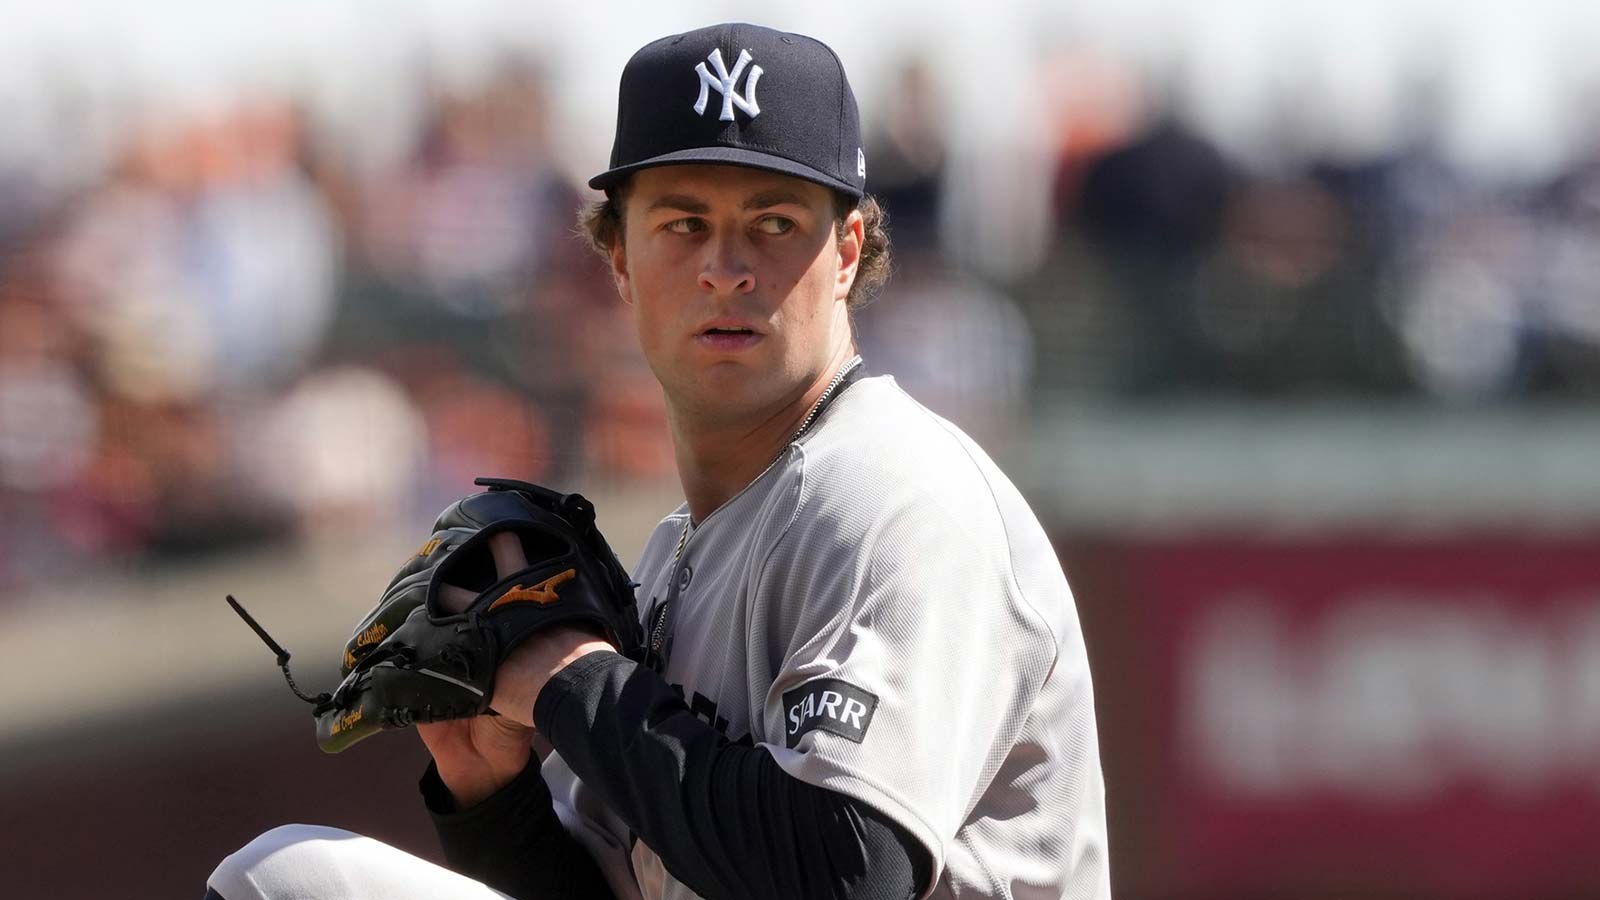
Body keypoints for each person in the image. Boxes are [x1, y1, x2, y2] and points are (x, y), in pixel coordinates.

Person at [208, 22, 1109, 900]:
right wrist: (492, 794)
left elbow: (852, 874)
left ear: (845, 252)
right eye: (684, 223)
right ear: (619, 260)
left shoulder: (896, 496)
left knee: (285, 880)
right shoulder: (684, 547)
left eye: (774, 221)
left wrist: (569, 679)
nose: (726, 268)